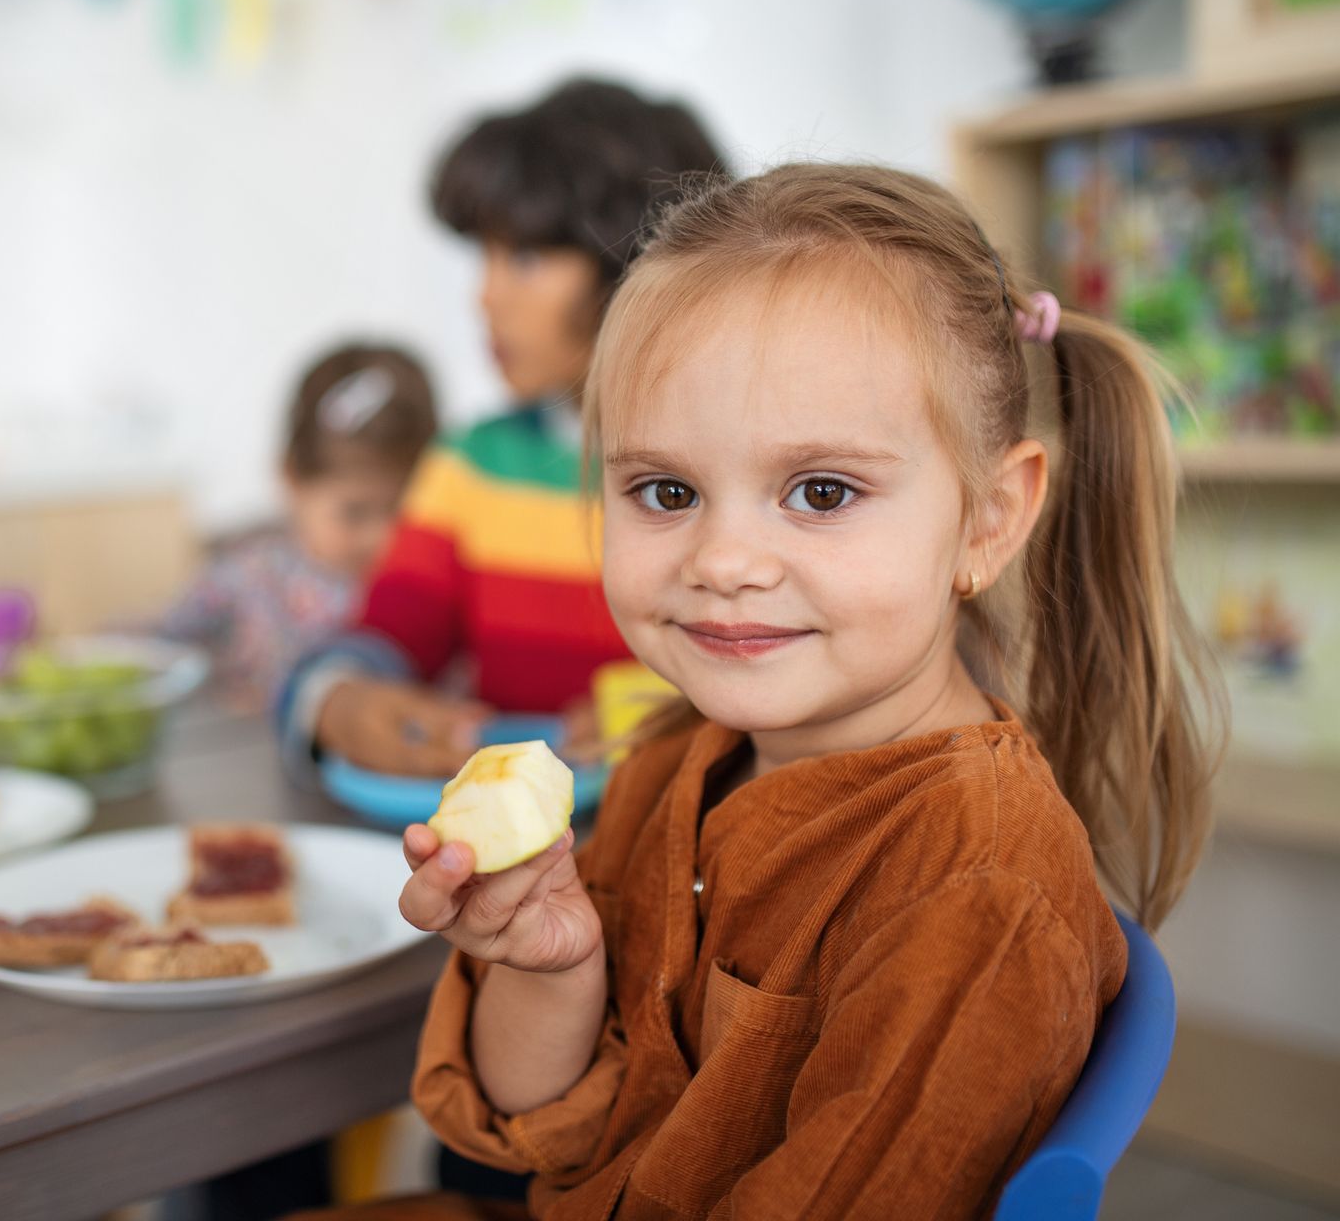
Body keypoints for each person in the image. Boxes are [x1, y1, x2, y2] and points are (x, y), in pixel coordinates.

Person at [350, 163, 1224, 1219]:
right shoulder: (675, 752)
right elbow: (542, 1128)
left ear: (989, 519)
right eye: (666, 490)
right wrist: (551, 969)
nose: (723, 560)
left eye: (821, 491)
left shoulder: (976, 893)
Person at [278, 79, 727, 780]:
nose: (484, 295)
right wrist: (335, 700)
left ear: (639, 262)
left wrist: (668, 708)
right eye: (482, 257)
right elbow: (382, 637)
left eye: (524, 258)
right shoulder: (472, 464)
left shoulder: (735, 470)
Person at [158, 343, 437, 710]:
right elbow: (161, 645)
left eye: (404, 509)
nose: (383, 537)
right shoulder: (246, 576)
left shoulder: (434, 589)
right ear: (291, 477)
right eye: (355, 512)